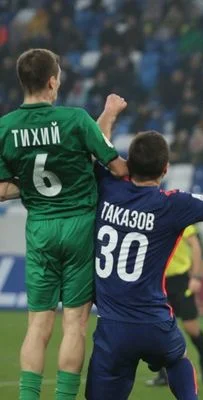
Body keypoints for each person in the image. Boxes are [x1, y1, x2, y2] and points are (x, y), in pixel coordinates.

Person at [85, 131, 203, 399]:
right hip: (154, 323)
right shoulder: (172, 204)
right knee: (176, 359)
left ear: (128, 163)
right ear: (165, 169)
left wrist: (110, 114)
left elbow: (91, 147)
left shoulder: (108, 187)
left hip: (111, 326)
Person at [0, 48, 128, 400]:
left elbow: (1, 190)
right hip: (79, 229)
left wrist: (29, 185)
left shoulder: (5, 128)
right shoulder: (75, 119)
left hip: (40, 229)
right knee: (75, 324)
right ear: (52, 82)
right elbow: (116, 167)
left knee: (38, 324)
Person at [147, 223, 203, 387]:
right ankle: (163, 373)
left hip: (180, 280)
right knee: (158, 327)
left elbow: (196, 246)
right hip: (158, 280)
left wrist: (196, 277)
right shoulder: (154, 219)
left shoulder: (182, 219)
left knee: (191, 328)